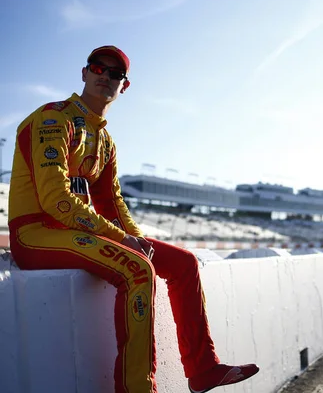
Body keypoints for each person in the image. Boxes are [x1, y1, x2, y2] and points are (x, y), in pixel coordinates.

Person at [8, 46, 259, 393]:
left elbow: (112, 204)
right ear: (84, 73)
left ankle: (203, 369)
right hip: (35, 234)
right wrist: (124, 242)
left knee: (183, 263)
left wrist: (138, 238)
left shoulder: (105, 140)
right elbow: (56, 201)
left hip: (75, 234)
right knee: (138, 269)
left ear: (123, 86)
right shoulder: (53, 119)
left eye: (115, 74)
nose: (105, 77)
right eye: (98, 68)